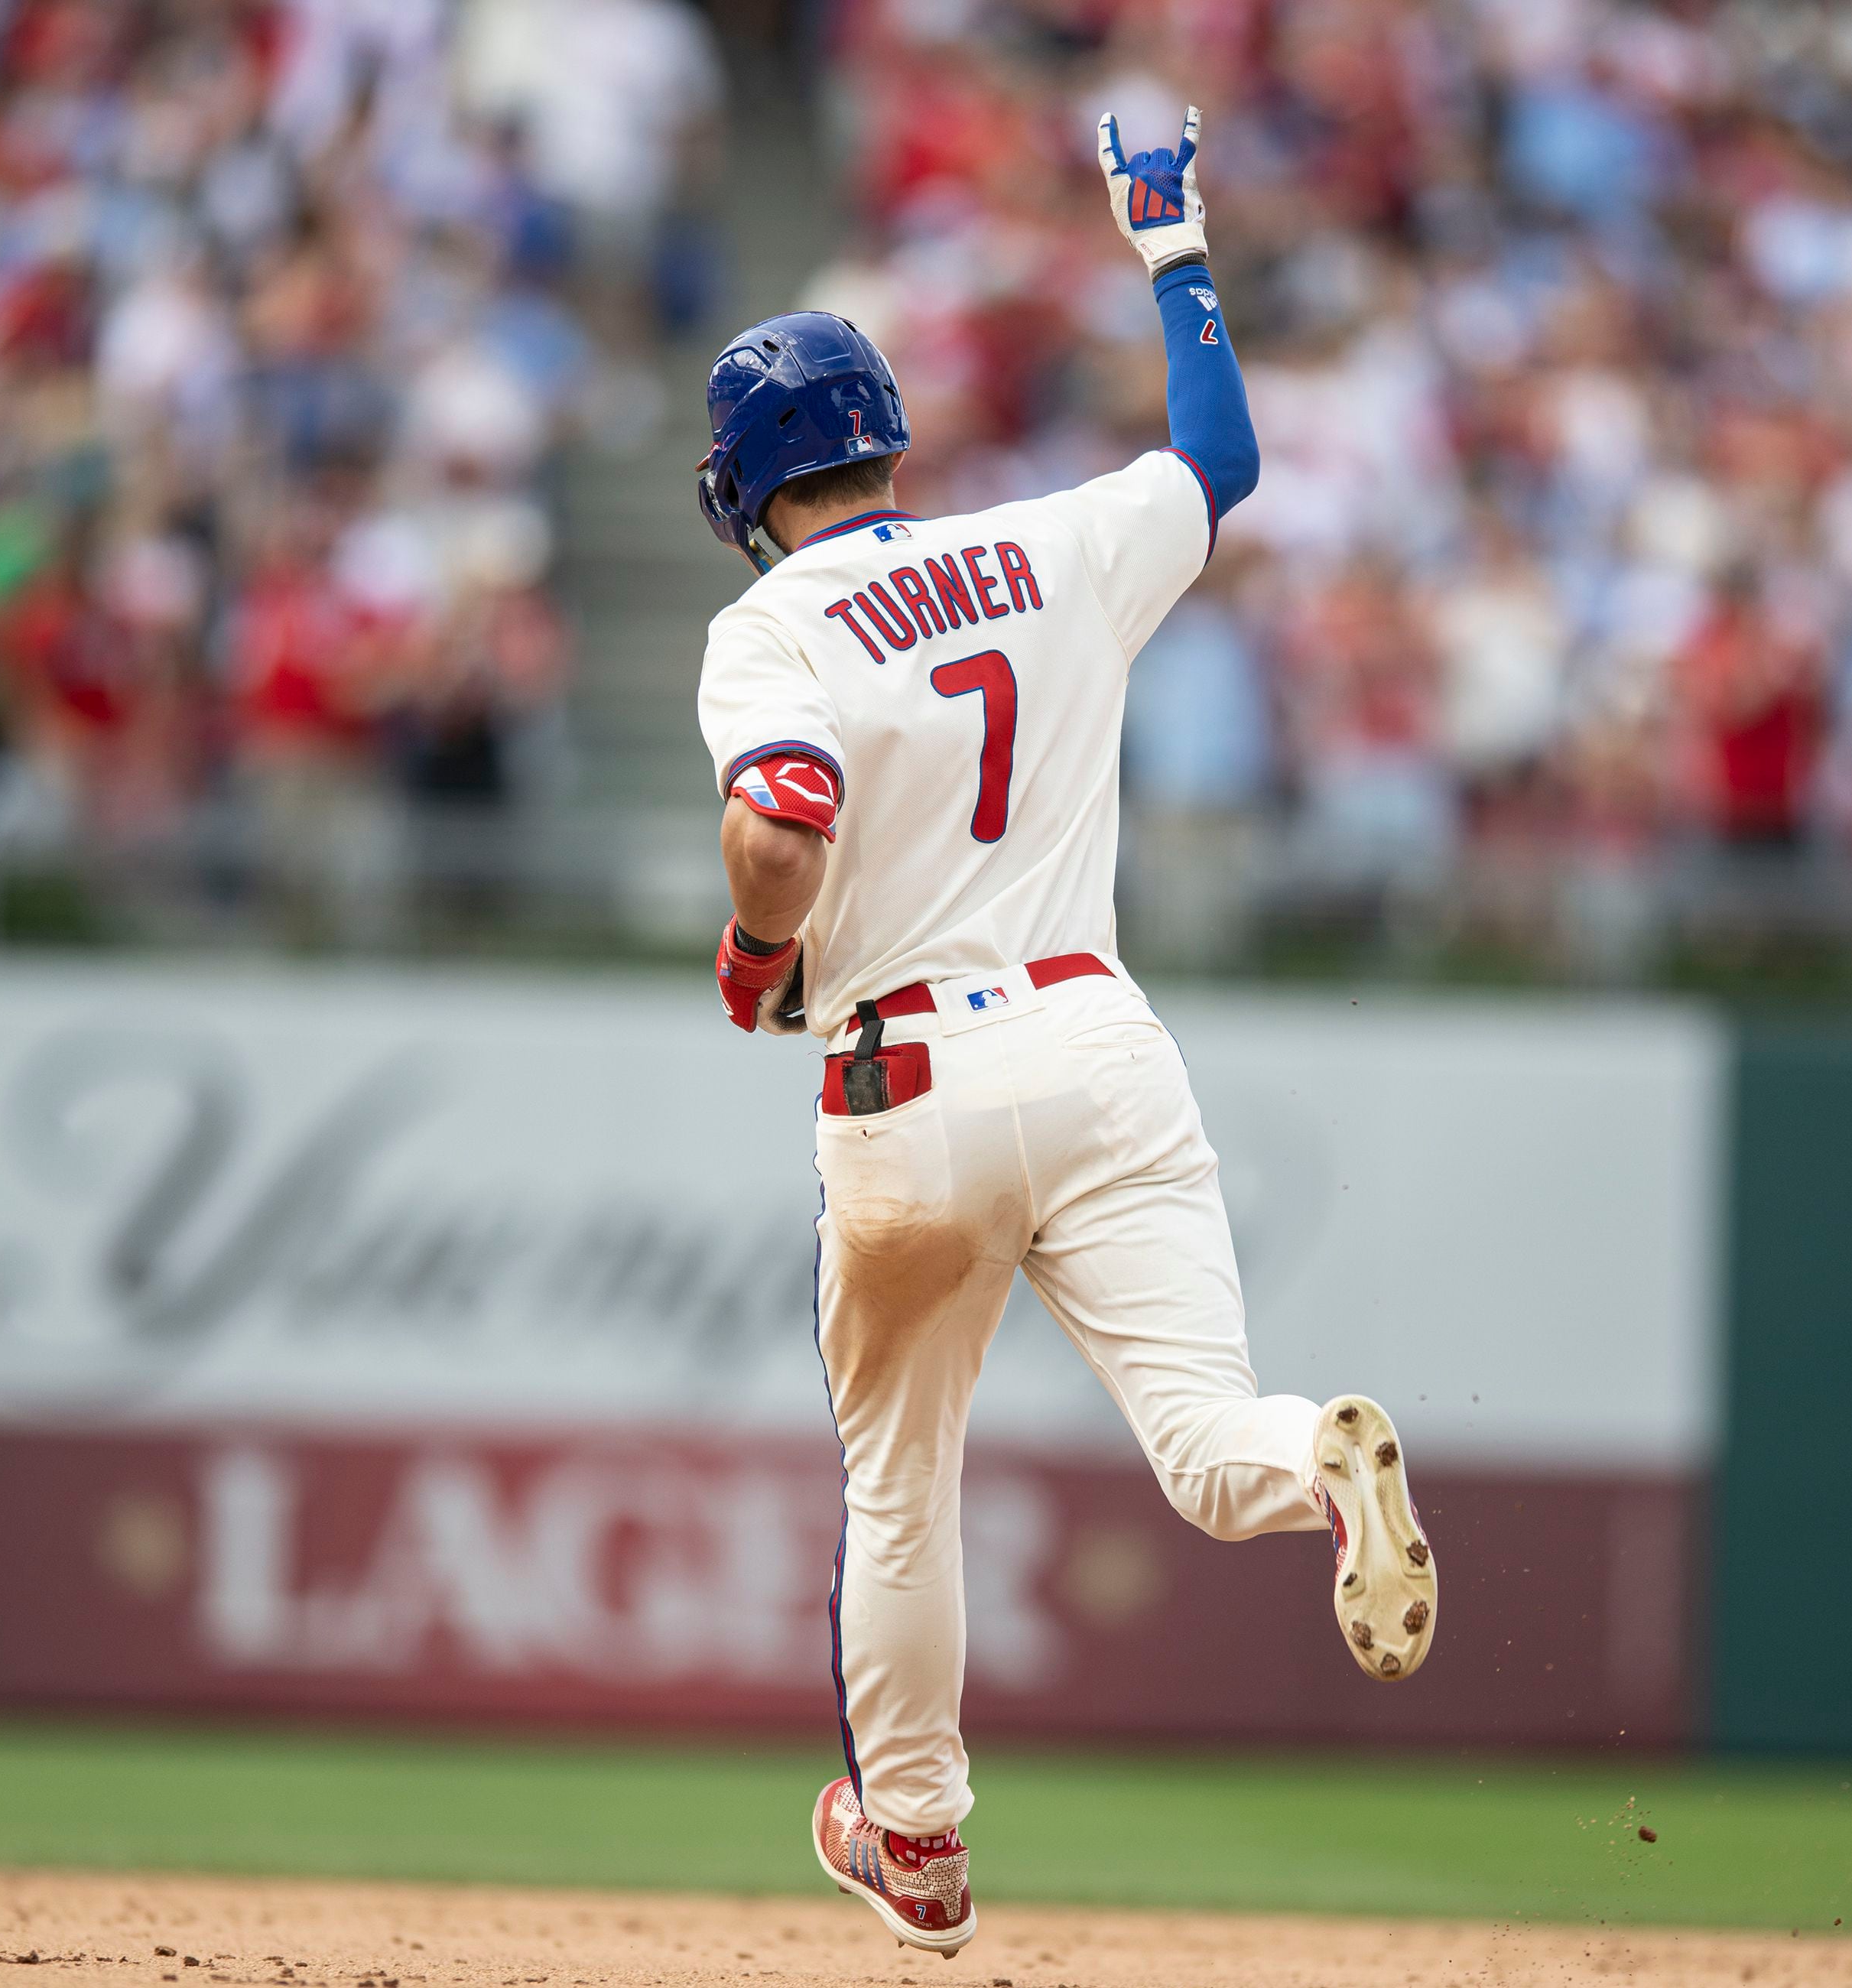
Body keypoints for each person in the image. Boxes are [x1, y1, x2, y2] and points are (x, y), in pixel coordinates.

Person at [690, 109, 1438, 1959]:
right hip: (1103, 1044)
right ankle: (1313, 1468)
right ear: (883, 438)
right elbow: (1220, 457)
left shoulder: (773, 628)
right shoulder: (1054, 545)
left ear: (744, 484)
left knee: (899, 1482)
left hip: (910, 1083)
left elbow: (782, 825)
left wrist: (750, 939)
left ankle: (922, 1841)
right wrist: (1171, 242)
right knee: (1200, 1442)